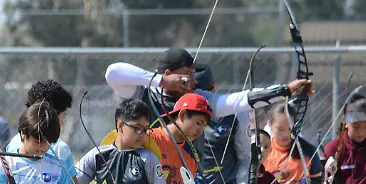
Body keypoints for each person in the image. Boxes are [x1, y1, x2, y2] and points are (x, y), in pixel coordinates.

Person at [105, 47, 314, 124]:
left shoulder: (198, 99)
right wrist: (161, 81)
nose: (194, 81)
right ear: (169, 74)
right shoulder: (141, 92)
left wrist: (285, 90)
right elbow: (112, 73)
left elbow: (238, 101)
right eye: (188, 75)